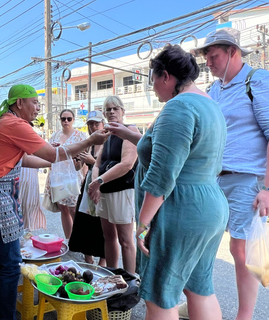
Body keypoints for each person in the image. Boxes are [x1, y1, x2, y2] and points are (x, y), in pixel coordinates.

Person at [0, 84, 110, 320]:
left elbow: (28, 160)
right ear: (20, 103)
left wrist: (55, 158)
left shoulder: (5, 122)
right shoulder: (15, 124)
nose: (38, 108)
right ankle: (5, 317)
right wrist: (87, 141)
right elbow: (51, 154)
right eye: (34, 102)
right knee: (11, 264)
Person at [110, 44, 229, 320]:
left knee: (161, 295)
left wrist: (141, 224)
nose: (152, 88)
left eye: (152, 80)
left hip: (180, 209)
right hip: (209, 206)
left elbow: (162, 176)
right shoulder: (211, 105)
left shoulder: (178, 107)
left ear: (165, 76)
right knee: (199, 287)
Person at [188, 28, 269, 320]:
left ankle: (244, 316)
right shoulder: (213, 90)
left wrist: (268, 189)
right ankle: (200, 302)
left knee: (240, 249)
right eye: (206, 57)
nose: (207, 62)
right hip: (214, 177)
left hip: (247, 177)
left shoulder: (256, 80)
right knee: (203, 239)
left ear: (233, 52)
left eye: (213, 56)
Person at [87, 96, 138, 274]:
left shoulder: (130, 131)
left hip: (122, 191)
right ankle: (111, 274)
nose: (111, 112)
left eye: (115, 108)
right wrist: (96, 183)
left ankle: (131, 279)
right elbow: (97, 164)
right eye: (108, 109)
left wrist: (99, 181)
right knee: (108, 237)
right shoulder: (107, 136)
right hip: (104, 192)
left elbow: (127, 164)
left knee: (125, 239)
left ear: (123, 111)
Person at [68, 110, 106, 266]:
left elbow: (113, 167)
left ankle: (104, 261)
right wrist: (75, 158)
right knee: (84, 223)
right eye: (90, 124)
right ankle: (88, 260)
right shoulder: (88, 143)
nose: (93, 127)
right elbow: (78, 167)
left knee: (102, 226)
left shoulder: (109, 141)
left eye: (96, 123)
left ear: (103, 124)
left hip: (104, 185)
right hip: (88, 186)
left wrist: (92, 161)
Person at [43, 109, 87, 239]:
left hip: (74, 176)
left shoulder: (80, 136)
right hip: (57, 177)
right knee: (63, 209)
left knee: (74, 209)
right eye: (63, 119)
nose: (66, 121)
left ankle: (79, 240)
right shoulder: (55, 136)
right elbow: (48, 155)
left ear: (73, 120)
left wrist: (85, 176)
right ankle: (69, 239)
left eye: (69, 118)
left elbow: (84, 158)